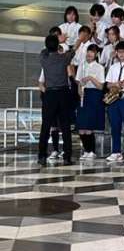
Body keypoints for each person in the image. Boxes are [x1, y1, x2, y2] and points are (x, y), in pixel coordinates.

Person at [38, 35, 74, 166]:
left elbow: (44, 50)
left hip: (50, 94)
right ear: (58, 46)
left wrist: (57, 42)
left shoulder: (44, 58)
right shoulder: (64, 58)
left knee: (46, 126)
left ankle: (42, 156)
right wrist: (63, 43)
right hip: (63, 93)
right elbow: (73, 50)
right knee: (65, 126)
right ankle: (67, 157)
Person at [75, 44, 105, 160]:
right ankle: (86, 151)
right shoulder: (81, 65)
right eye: (88, 51)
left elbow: (101, 86)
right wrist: (79, 91)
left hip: (94, 95)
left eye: (92, 52)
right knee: (81, 127)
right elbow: (79, 82)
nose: (89, 54)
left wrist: (90, 78)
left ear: (96, 54)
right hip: (84, 95)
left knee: (89, 127)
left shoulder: (99, 67)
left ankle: (91, 151)